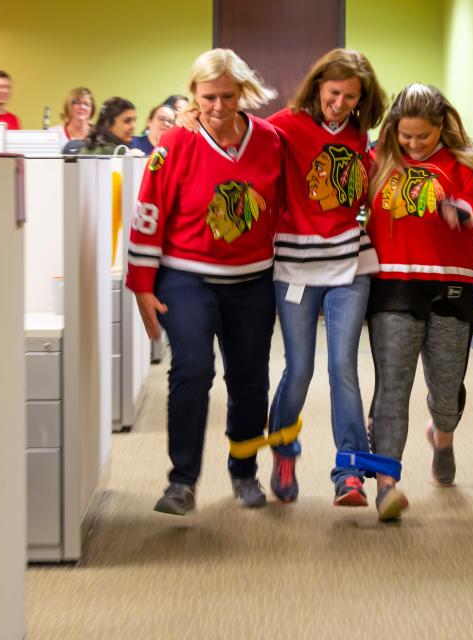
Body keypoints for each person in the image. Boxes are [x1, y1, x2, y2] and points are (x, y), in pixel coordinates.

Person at [126, 48, 283, 514]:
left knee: (251, 379)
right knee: (192, 370)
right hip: (186, 278)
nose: (218, 107)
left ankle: (244, 471)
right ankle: (182, 481)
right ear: (193, 96)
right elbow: (148, 213)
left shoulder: (270, 140)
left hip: (252, 281)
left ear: (243, 93)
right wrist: (142, 285)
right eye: (209, 97)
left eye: (229, 96)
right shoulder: (176, 144)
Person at [365, 83, 473, 521]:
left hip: (452, 285)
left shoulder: (464, 159)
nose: (412, 144)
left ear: (440, 126)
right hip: (393, 284)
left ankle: (442, 436)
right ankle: (387, 486)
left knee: (445, 390)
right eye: (405, 135)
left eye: (421, 136)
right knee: (392, 387)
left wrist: (462, 209)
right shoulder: (379, 158)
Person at [264, 49, 387, 507]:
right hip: (295, 265)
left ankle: (350, 471)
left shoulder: (360, 135)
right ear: (318, 86)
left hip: (349, 263)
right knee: (299, 369)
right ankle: (283, 449)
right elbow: (243, 144)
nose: (340, 103)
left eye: (351, 97)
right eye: (334, 92)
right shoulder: (284, 124)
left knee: (343, 366)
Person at [64, 97, 138, 154]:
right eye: (127, 121)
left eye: (134, 120)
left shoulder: (93, 146)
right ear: (108, 124)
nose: (133, 126)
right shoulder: (117, 153)